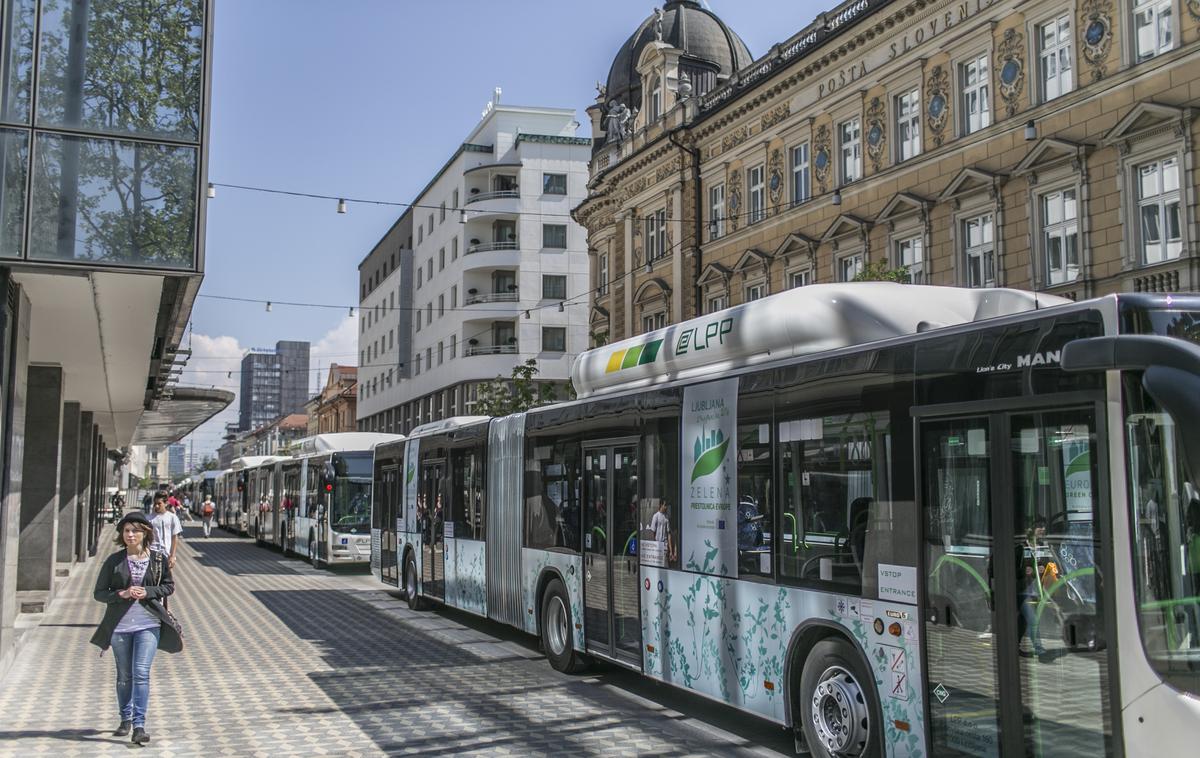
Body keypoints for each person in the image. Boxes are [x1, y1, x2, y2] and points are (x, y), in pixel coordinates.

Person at [90, 511, 181, 745]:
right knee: (124, 676)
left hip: (148, 625)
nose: (130, 534)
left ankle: (139, 725)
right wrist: (121, 593)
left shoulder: (158, 559)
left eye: (135, 530)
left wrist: (148, 592)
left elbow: (168, 587)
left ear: (145, 533)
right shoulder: (114, 561)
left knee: (141, 674)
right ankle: (125, 717)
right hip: (120, 627)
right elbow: (99, 593)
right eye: (126, 530)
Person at [149, 494, 183, 573]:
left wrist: (172, 555)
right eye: (155, 504)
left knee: (167, 579)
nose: (156, 506)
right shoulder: (149, 519)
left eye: (159, 503)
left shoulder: (172, 517)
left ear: (166, 503)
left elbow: (174, 537)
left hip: (166, 554)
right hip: (152, 553)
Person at [649, 500, 677, 565]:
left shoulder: (666, 517)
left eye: (666, 505)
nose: (666, 507)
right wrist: (654, 545)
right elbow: (652, 531)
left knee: (665, 564)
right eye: (665, 505)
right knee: (657, 565)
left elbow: (668, 533)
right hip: (657, 544)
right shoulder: (656, 516)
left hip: (664, 545)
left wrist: (670, 549)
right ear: (661, 505)